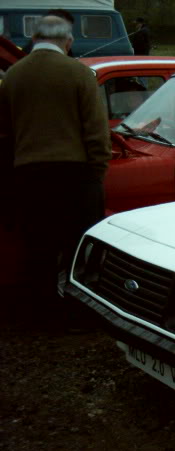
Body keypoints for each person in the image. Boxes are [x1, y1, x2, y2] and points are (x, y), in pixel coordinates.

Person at [0, 15, 111, 326]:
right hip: (74, 175)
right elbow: (96, 132)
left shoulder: (13, 76)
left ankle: (39, 312)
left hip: (28, 174)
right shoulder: (79, 74)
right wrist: (97, 174)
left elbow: (5, 133)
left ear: (34, 38)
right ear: (69, 41)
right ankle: (77, 314)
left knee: (37, 247)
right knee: (77, 248)